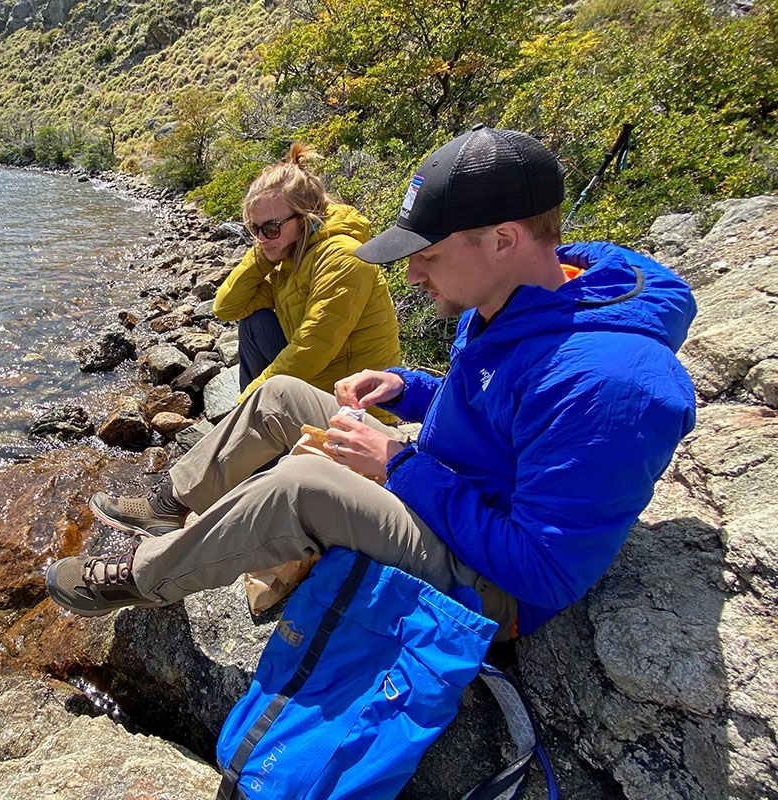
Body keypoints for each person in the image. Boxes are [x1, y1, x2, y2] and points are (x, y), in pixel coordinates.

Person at [45, 126, 697, 640]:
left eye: (428, 255)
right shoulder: (516, 300)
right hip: (449, 492)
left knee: (301, 487)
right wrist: (408, 387)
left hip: (493, 584)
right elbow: (496, 415)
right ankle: (173, 499)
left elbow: (544, 572)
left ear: (501, 240)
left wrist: (400, 464)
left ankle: (137, 577)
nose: (412, 275)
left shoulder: (609, 386)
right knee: (278, 398)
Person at [215, 142, 400, 409]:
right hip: (320, 379)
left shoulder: (342, 257)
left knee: (249, 411)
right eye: (254, 228)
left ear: (304, 217)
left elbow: (311, 349)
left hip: (355, 404)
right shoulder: (289, 256)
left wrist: (250, 399)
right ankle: (260, 429)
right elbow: (227, 307)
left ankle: (258, 426)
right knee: (254, 322)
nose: (261, 238)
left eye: (271, 228)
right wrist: (261, 256)